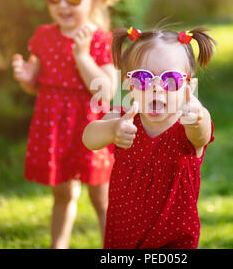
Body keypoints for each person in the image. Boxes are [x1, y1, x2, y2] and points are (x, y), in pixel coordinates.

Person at [11, 0, 124, 249]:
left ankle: (112, 248)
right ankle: (58, 245)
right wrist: (27, 78)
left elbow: (106, 90)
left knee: (101, 195)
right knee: (62, 193)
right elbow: (36, 86)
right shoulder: (44, 37)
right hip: (57, 129)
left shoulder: (101, 40)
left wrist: (82, 56)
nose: (62, 5)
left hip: (92, 130)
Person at [83, 26, 217, 248]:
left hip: (172, 236)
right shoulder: (123, 117)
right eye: (143, 78)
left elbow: (202, 136)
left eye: (171, 79)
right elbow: (89, 137)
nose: (156, 88)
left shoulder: (188, 123)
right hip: (123, 232)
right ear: (128, 84)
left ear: (189, 87)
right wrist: (112, 129)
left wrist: (197, 119)